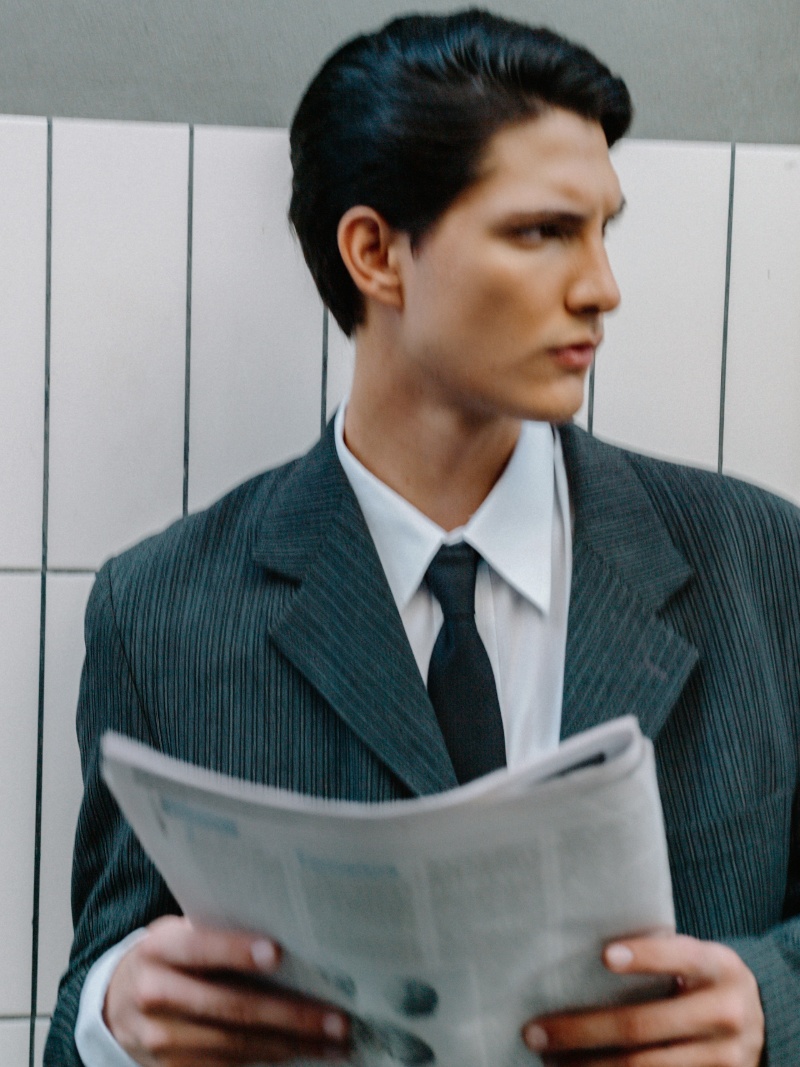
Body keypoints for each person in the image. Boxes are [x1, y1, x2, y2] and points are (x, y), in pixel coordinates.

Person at [46, 9, 799, 1067]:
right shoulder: (162, 608)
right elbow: (89, 996)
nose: (599, 286)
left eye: (602, 229)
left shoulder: (760, 560)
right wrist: (117, 1012)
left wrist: (771, 1005)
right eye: (540, 231)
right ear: (374, 254)